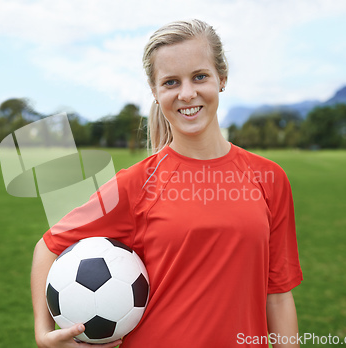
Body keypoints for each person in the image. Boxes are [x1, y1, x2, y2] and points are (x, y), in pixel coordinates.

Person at [31, 19, 303, 348]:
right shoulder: (135, 184)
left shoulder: (269, 178)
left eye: (199, 76)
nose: (187, 93)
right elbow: (48, 247)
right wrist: (43, 333)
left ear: (222, 78)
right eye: (171, 82)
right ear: (156, 93)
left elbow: (278, 296)